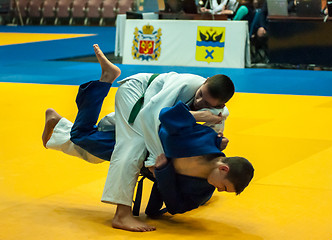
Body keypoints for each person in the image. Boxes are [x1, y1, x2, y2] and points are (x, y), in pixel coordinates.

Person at [43, 44, 239, 232]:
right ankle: (121, 214)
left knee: (95, 148)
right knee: (133, 146)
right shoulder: (185, 83)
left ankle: (64, 124)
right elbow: (151, 115)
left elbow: (213, 139)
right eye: (201, 95)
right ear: (205, 81)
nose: (199, 101)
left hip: (151, 111)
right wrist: (155, 159)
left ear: (219, 106)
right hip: (138, 93)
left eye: (207, 102)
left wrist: (217, 141)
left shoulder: (219, 113)